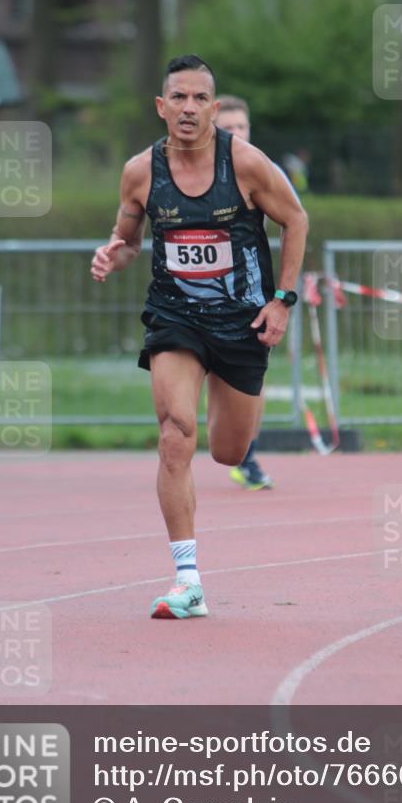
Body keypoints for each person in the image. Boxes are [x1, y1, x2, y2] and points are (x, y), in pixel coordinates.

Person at [91, 55, 308, 619]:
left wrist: (282, 300)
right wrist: (113, 254)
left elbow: (296, 220)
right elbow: (127, 239)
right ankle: (187, 581)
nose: (188, 108)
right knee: (174, 434)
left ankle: (221, 391)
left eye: (200, 98)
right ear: (161, 107)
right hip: (175, 317)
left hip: (241, 323)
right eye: (178, 98)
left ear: (213, 107)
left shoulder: (247, 164)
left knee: (228, 450)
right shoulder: (141, 171)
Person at [216, 94, 302, 492]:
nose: (236, 134)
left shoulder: (264, 170)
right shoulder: (189, 170)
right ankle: (181, 445)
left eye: (242, 127)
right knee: (194, 377)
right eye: (228, 128)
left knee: (250, 381)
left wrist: (284, 293)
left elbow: (295, 222)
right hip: (197, 295)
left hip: (248, 294)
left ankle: (246, 456)